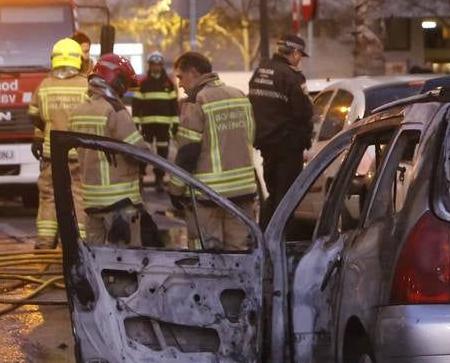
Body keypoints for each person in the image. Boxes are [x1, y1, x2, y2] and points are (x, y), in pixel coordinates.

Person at [173, 51, 258, 250]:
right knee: (239, 253)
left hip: (209, 194)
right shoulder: (239, 96)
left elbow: (188, 152)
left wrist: (175, 191)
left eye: (180, 77)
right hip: (243, 193)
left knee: (209, 257)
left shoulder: (196, 100)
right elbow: (251, 136)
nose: (180, 84)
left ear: (193, 72)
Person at [69, 54, 152, 245]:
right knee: (125, 261)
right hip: (119, 203)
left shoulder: (78, 111)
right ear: (118, 80)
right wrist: (148, 151)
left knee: (96, 260)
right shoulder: (114, 110)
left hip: (91, 200)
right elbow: (136, 152)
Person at [28, 38, 89, 248]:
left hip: (52, 154)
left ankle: (45, 241)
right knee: (79, 196)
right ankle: (77, 242)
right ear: (78, 60)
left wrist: (45, 129)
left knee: (49, 196)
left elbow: (34, 114)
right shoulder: (87, 86)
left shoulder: (45, 86)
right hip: (79, 153)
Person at [248, 34, 314, 226]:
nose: (300, 59)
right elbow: (303, 111)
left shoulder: (259, 73)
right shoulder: (291, 76)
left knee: (274, 194)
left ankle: (265, 237)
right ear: (294, 52)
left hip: (266, 145)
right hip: (288, 146)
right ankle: (278, 243)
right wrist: (305, 135)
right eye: (300, 55)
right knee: (287, 200)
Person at [131, 52, 179, 192]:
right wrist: (136, 123)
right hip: (147, 126)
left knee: (162, 153)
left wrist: (175, 123)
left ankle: (159, 179)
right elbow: (136, 104)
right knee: (144, 152)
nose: (156, 67)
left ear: (161, 66)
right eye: (153, 65)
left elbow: (173, 105)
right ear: (149, 65)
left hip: (163, 126)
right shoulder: (143, 83)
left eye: (158, 65)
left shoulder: (168, 83)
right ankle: (140, 177)